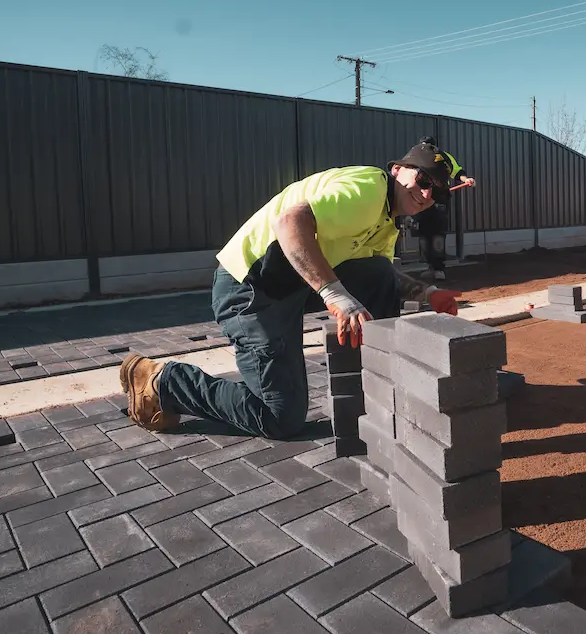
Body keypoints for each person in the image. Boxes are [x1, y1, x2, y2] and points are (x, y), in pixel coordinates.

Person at [117, 142, 463, 438]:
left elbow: (381, 274)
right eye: (422, 180)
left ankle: (372, 384)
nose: (427, 193)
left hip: (288, 285)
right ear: (399, 170)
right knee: (280, 418)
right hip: (250, 291)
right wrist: (335, 294)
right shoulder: (368, 189)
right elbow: (290, 222)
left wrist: (426, 293)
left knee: (377, 273)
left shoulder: (387, 219)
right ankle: (166, 382)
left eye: (437, 190)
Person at [414, 136, 475, 281]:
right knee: (424, 235)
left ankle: (439, 269)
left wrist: (466, 179)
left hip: (438, 199)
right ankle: (431, 267)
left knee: (437, 235)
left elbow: (457, 171)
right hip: (420, 201)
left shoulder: (443, 157)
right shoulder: (415, 158)